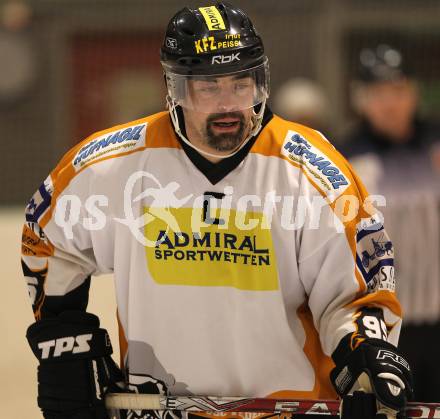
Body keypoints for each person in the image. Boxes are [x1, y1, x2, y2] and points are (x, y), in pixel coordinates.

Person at [22, 4, 414, 419]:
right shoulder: (113, 164)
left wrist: (366, 350)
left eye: (241, 84)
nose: (229, 104)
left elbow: (354, 292)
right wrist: (66, 343)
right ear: (176, 89)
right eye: (208, 88)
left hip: (289, 410)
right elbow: (47, 239)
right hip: (156, 409)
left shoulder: (310, 170)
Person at [341, 44, 440, 403]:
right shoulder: (345, 158)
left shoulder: (436, 146)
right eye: (378, 93)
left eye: (398, 91)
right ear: (361, 99)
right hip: (386, 324)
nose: (390, 103)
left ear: (414, 93)